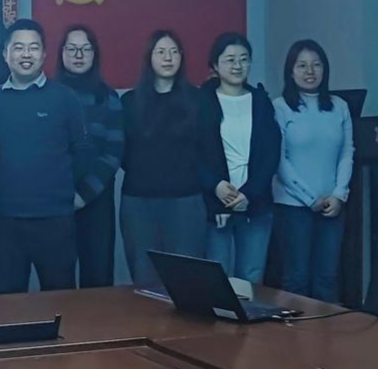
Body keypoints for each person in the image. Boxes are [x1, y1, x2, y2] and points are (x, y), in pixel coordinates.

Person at [0, 20, 92, 295]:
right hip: (5, 222)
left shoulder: (64, 98)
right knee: (8, 303)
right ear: (5, 54)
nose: (26, 54)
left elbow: (82, 152)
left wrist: (62, 191)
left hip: (55, 221)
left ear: (44, 54)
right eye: (18, 47)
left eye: (33, 47)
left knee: (61, 301)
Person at [120, 31, 207, 287]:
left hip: (186, 201)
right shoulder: (130, 102)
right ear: (149, 57)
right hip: (139, 202)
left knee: (187, 280)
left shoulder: (198, 99)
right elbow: (122, 152)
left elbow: (207, 150)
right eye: (160, 52)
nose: (168, 58)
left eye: (173, 52)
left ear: (181, 57)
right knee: (145, 278)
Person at [273, 40, 354, 302]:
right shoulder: (280, 107)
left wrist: (339, 195)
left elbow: (346, 153)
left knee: (327, 278)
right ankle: (293, 330)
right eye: (302, 65)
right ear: (290, 71)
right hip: (293, 207)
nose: (310, 71)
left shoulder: (339, 106)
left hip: (333, 206)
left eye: (316, 64)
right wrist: (310, 198)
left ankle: (328, 330)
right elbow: (280, 160)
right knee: (296, 279)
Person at [199, 33, 281, 284]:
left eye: (244, 59)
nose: (237, 65)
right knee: (217, 279)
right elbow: (194, 153)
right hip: (216, 202)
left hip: (255, 203)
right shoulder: (202, 101)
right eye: (230, 59)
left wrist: (249, 193)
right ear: (215, 65)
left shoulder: (261, 101)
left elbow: (271, 153)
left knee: (251, 278)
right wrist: (215, 186)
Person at [56, 26, 124, 289]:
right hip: (56, 202)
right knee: (58, 280)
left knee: (98, 279)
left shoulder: (108, 97)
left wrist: (83, 194)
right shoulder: (50, 94)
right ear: (61, 53)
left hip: (97, 200)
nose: (78, 55)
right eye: (72, 49)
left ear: (94, 54)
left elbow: (113, 153)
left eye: (85, 49)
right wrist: (63, 194)